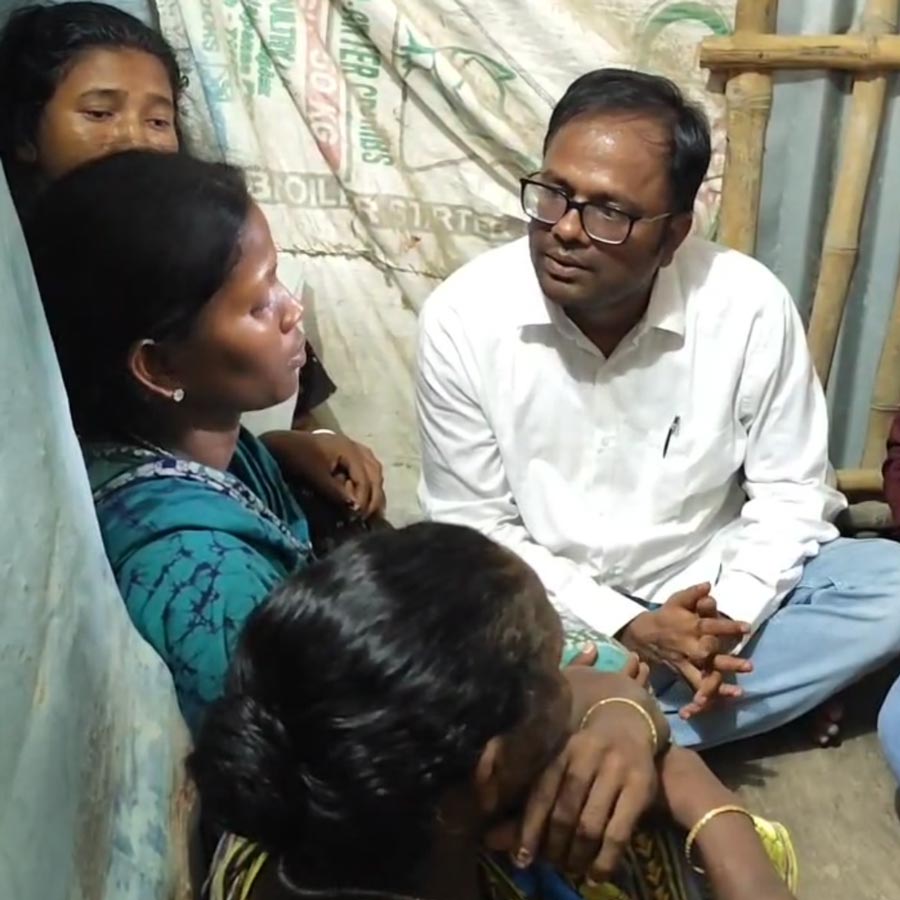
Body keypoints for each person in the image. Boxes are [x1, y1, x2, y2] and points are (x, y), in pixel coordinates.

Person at [416, 67, 900, 751]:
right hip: (552, 606)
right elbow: (476, 525)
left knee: (891, 589)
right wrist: (626, 624)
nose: (567, 231)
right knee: (438, 640)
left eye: (609, 212)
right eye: (554, 195)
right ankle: (705, 714)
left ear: (674, 234)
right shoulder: (464, 317)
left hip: (709, 587)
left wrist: (719, 623)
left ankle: (606, 734)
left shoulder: (746, 305)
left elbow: (791, 496)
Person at [189, 522, 796, 900]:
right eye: (556, 662)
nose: (583, 670)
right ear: (492, 770)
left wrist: (621, 716)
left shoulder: (304, 803)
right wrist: (718, 821)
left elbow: (592, 690)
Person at [0, 0, 385, 519]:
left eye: (158, 119)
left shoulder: (210, 253)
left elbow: (292, 411)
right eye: (99, 113)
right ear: (25, 134)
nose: (134, 138)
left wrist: (296, 443)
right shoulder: (20, 296)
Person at [26, 149, 348, 731]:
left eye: (277, 277)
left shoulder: (223, 453)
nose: (292, 308)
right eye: (258, 301)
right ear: (160, 368)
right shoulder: (205, 584)